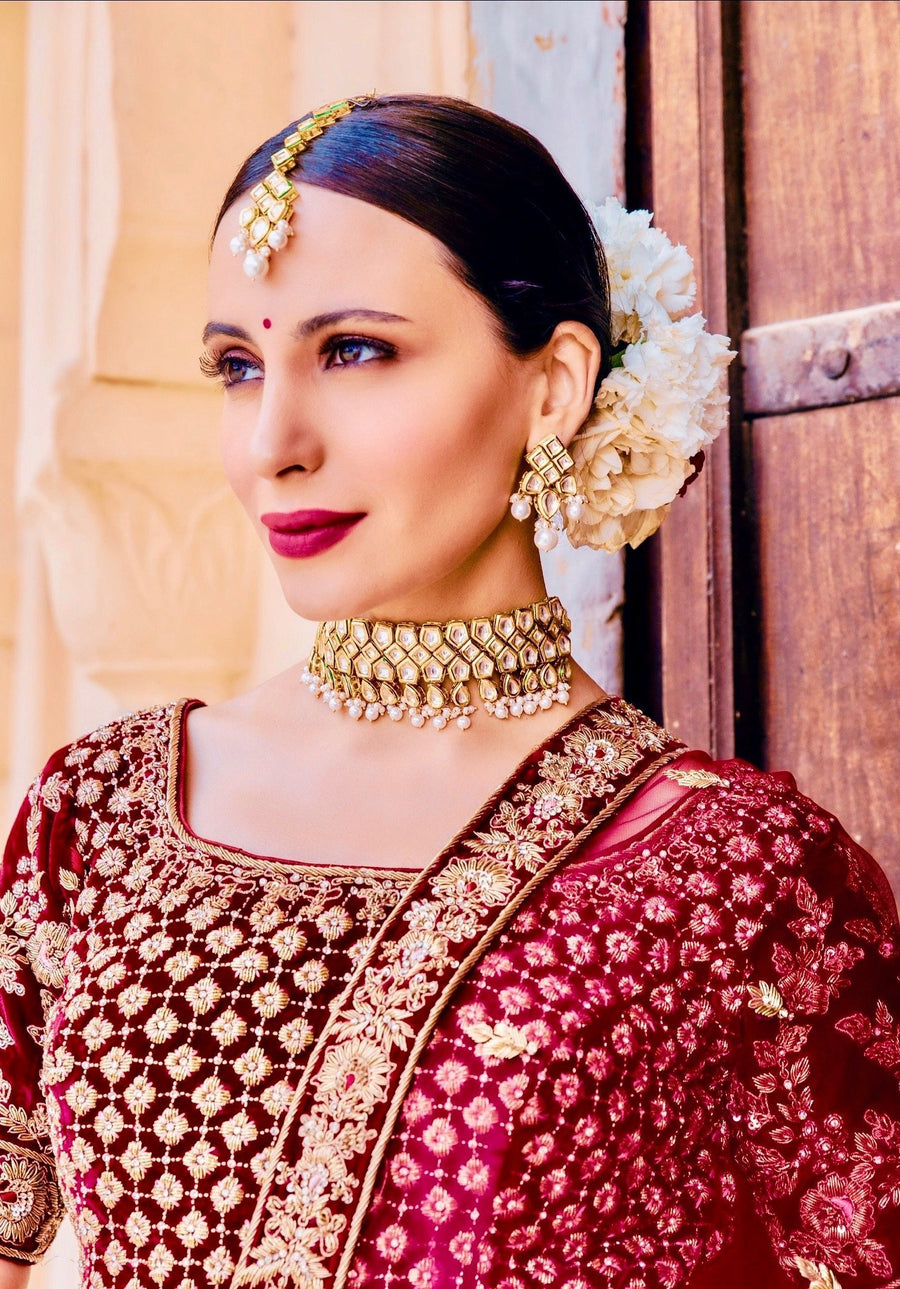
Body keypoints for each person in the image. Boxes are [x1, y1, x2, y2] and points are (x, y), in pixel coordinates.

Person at [0, 93, 897, 1289]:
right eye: (237, 366)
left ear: (554, 383)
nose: (272, 442)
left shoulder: (745, 875)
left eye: (354, 350)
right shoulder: (100, 813)